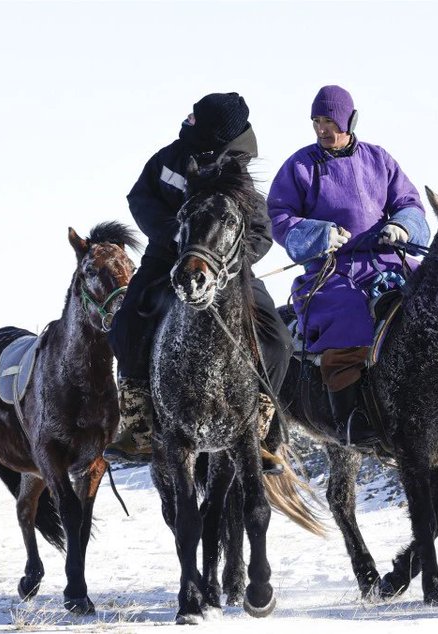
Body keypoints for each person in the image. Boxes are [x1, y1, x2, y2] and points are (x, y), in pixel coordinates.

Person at [104, 93, 293, 469]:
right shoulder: (170, 157)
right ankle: (138, 424)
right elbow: (139, 198)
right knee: (127, 322)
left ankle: (262, 429)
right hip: (164, 259)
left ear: (214, 130)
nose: (188, 119)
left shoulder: (239, 175)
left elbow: (261, 232)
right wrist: (176, 236)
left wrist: (227, 262)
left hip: (227, 271)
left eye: (196, 117)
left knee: (278, 339)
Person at [267, 85, 430, 447]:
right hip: (332, 269)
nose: (322, 129)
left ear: (349, 120)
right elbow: (278, 216)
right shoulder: (299, 166)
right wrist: (316, 234)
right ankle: (350, 415)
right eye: (316, 122)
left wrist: (401, 225)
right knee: (347, 313)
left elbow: (409, 201)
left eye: (329, 121)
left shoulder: (379, 159)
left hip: (386, 259)